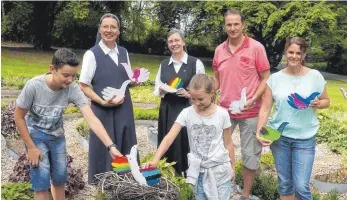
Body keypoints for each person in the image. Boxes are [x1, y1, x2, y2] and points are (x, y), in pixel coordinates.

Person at [14, 48, 122, 200]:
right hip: (36, 137)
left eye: (73, 76)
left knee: (59, 179)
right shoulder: (34, 86)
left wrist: (110, 146)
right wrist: (31, 147)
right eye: (66, 75)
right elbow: (18, 117)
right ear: (52, 69)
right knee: (41, 182)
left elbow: (91, 118)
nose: (70, 80)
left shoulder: (72, 89)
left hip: (57, 138)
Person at [256, 37, 330, 200]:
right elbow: (265, 108)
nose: (294, 56)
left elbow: (326, 101)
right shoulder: (274, 79)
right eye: (291, 52)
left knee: (301, 186)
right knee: (285, 183)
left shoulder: (315, 76)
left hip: (305, 139)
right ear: (285, 52)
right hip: (279, 137)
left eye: (298, 53)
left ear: (304, 54)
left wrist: (318, 103)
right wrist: (259, 131)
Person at [145, 74, 235, 200]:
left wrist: (233, 167)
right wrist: (155, 160)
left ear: (212, 93)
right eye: (192, 99)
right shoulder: (186, 113)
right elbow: (169, 138)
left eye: (201, 99)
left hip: (220, 170)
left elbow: (228, 143)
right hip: (197, 171)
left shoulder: (222, 114)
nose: (196, 103)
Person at [212, 9, 271, 199]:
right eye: (229, 24)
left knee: (250, 154)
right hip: (225, 112)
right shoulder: (219, 50)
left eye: (236, 24)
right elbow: (216, 79)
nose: (233, 28)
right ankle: (227, 188)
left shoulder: (256, 48)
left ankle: (245, 194)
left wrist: (253, 98)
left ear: (243, 25)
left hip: (251, 112)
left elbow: (266, 78)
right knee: (221, 152)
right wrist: (207, 93)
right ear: (225, 26)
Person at [79, 13, 137, 184]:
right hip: (102, 108)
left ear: (118, 32)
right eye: (106, 27)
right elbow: (83, 85)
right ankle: (105, 183)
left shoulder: (124, 52)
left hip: (124, 107)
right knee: (105, 146)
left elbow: (127, 80)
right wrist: (102, 101)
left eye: (113, 27)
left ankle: (126, 181)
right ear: (100, 29)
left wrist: (135, 81)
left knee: (126, 143)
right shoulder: (92, 54)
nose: (109, 30)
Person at [154, 28, 205, 175]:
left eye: (176, 40)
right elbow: (157, 87)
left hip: (187, 109)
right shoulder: (163, 64)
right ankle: (168, 173)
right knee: (167, 140)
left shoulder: (195, 63)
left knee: (185, 142)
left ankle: (188, 173)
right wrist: (162, 90)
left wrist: (189, 94)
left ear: (183, 42)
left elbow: (203, 89)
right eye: (170, 41)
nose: (174, 44)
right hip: (167, 109)